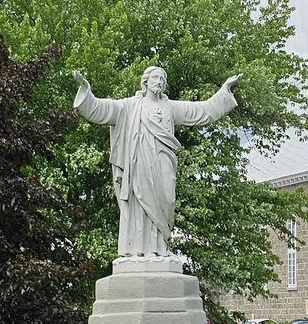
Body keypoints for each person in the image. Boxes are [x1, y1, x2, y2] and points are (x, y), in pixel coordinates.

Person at [70, 65, 241, 257]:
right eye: (155, 78)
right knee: (140, 203)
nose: (159, 82)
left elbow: (202, 111)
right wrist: (85, 89)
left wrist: (224, 91)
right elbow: (102, 109)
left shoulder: (170, 107)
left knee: (167, 199)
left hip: (164, 163)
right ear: (145, 81)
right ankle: (139, 250)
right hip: (139, 164)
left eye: (162, 79)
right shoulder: (130, 106)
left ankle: (160, 247)